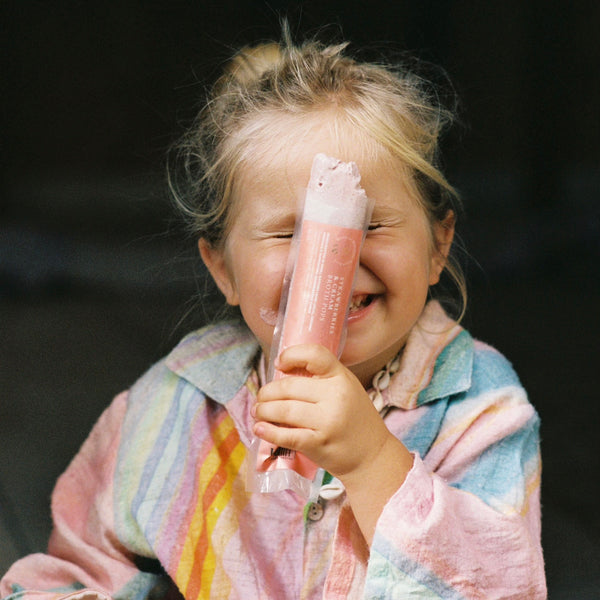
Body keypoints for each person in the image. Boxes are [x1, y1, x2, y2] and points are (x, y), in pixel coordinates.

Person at [1, 32, 546, 600]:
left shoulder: (481, 406)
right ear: (223, 269)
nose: (334, 261)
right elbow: (82, 568)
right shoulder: (179, 400)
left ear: (438, 245)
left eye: (374, 224)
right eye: (288, 233)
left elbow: (502, 586)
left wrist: (371, 460)